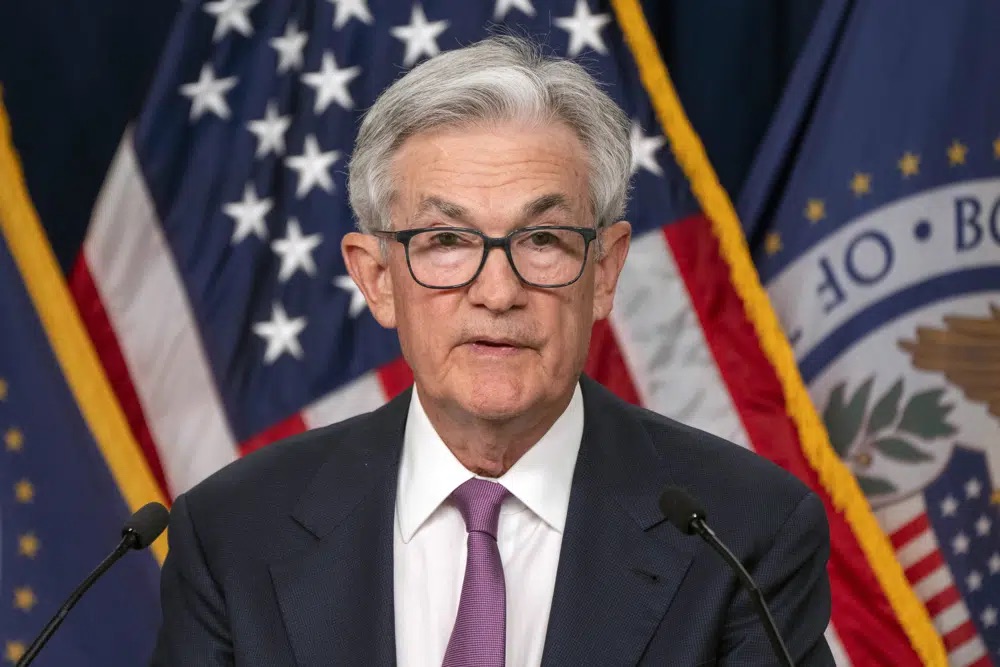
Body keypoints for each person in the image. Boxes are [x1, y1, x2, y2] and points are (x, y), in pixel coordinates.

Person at [151, 35, 834, 666]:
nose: (498, 291)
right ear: (377, 278)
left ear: (605, 271)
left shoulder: (745, 532)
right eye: (447, 242)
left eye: (543, 240)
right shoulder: (234, 533)